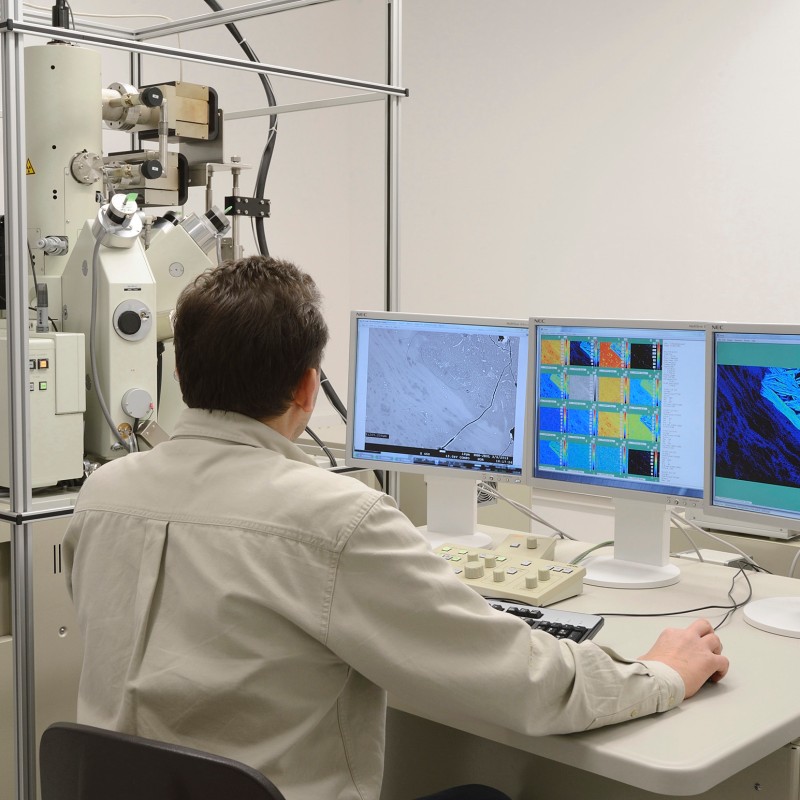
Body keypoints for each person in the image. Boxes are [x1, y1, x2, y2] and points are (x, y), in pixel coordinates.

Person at [63, 255, 728, 800]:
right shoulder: (332, 519)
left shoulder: (101, 493)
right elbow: (520, 682)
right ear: (306, 388)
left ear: (179, 372)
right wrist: (659, 672)